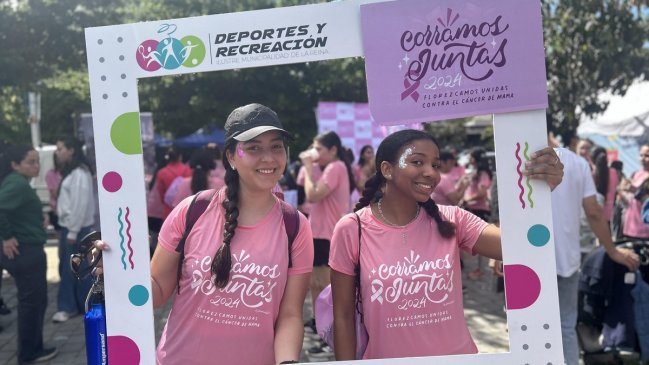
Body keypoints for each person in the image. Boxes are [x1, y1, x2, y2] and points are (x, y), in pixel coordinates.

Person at [96, 103, 314, 365]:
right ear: (232, 157)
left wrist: (287, 361)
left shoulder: (296, 226)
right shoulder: (192, 211)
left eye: (276, 146)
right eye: (253, 147)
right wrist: (118, 271)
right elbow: (157, 290)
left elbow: (290, 315)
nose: (268, 158)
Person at [328, 129, 564, 360]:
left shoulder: (453, 219)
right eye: (418, 162)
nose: (431, 173)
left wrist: (540, 193)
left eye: (436, 165)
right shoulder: (352, 229)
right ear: (387, 169)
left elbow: (521, 245)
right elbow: (344, 316)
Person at [549, 147, 640, 365]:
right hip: (565, 259)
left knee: (524, 325)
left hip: (525, 261)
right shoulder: (577, 163)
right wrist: (612, 250)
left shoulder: (518, 155)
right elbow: (593, 211)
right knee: (565, 327)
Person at [0, 144, 59, 363]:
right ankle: (29, 352)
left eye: (37, 161)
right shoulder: (17, 184)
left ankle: (33, 348)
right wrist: (6, 237)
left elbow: (15, 212)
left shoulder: (18, 182)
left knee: (33, 302)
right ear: (15, 165)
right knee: (32, 303)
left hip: (26, 247)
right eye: (31, 162)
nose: (36, 166)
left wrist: (36, 220)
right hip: (26, 251)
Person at [299, 130, 355, 356]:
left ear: (333, 150)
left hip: (327, 234)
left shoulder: (336, 167)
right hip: (318, 232)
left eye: (319, 149)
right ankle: (317, 323)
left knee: (325, 286)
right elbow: (304, 186)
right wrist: (310, 166)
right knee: (315, 283)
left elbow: (312, 195)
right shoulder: (328, 168)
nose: (316, 153)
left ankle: (328, 337)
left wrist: (307, 167)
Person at [52, 137, 96, 323]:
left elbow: (80, 204)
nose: (58, 151)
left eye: (60, 147)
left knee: (71, 269)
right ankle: (80, 305)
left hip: (75, 229)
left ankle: (69, 307)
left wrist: (72, 231)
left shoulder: (79, 173)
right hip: (73, 228)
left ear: (71, 150)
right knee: (75, 268)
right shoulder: (74, 172)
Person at [463, 147, 493, 280]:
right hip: (475, 209)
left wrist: (467, 199)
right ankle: (478, 268)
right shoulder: (478, 172)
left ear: (476, 159)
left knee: (479, 242)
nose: (469, 159)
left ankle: (480, 270)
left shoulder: (483, 174)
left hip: (480, 210)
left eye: (471, 157)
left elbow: (481, 193)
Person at [618, 145, 649, 240]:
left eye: (647, 156)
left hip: (645, 230)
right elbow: (628, 202)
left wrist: (635, 191)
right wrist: (621, 193)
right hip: (630, 227)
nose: (642, 159)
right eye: (641, 155)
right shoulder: (635, 174)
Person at [155, 146, 191, 219]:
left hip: (169, 211)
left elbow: (161, 194)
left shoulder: (161, 173)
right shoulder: (189, 170)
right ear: (180, 156)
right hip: (186, 210)